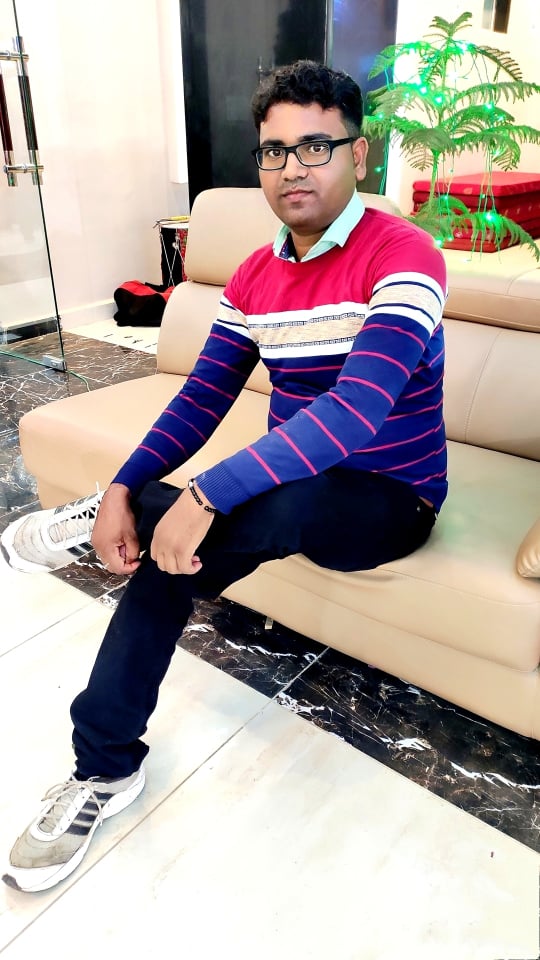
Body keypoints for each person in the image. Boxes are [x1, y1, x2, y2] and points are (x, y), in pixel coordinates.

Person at [1, 60, 447, 893]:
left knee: (238, 506)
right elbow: (202, 398)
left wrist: (203, 494)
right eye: (274, 152)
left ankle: (129, 510)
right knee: (169, 565)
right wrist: (129, 485)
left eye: (315, 146)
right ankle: (103, 768)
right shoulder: (252, 276)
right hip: (283, 491)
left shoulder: (405, 257)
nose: (292, 169)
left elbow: (355, 411)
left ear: (359, 153)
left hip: (389, 499)